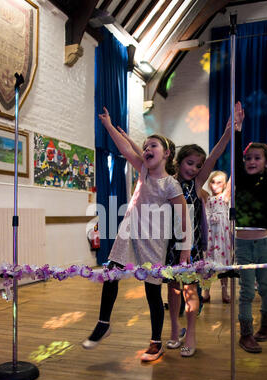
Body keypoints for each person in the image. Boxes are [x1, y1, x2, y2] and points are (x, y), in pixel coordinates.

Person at [82, 108, 191, 362]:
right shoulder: (142, 170)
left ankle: (156, 342)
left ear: (166, 154)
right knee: (112, 273)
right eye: (144, 146)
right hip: (129, 232)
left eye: (152, 145)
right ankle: (103, 322)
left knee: (152, 292)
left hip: (153, 239)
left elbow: (183, 217)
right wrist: (109, 126)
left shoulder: (171, 184)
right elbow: (124, 149)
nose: (146, 148)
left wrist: (185, 249)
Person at [165, 119, 232, 357]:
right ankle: (174, 330)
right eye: (189, 163)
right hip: (169, 247)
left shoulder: (195, 184)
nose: (193, 169)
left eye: (198, 165)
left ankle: (191, 333)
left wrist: (226, 133)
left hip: (190, 246)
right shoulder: (169, 183)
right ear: (179, 161)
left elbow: (214, 156)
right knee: (172, 290)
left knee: (190, 290)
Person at [234, 102, 267, 353]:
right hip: (243, 244)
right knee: (246, 290)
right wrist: (237, 128)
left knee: (265, 287)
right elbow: (236, 154)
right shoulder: (242, 179)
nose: (251, 161)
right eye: (248, 158)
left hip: (265, 242)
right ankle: (246, 333)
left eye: (257, 158)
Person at [202, 171, 231, 303]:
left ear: (225, 185)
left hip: (221, 233)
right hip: (210, 232)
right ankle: (206, 291)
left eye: (219, 182)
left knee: (223, 261)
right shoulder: (207, 196)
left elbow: (232, 180)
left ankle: (224, 291)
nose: (215, 185)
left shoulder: (225, 196)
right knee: (208, 260)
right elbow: (197, 186)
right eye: (213, 182)